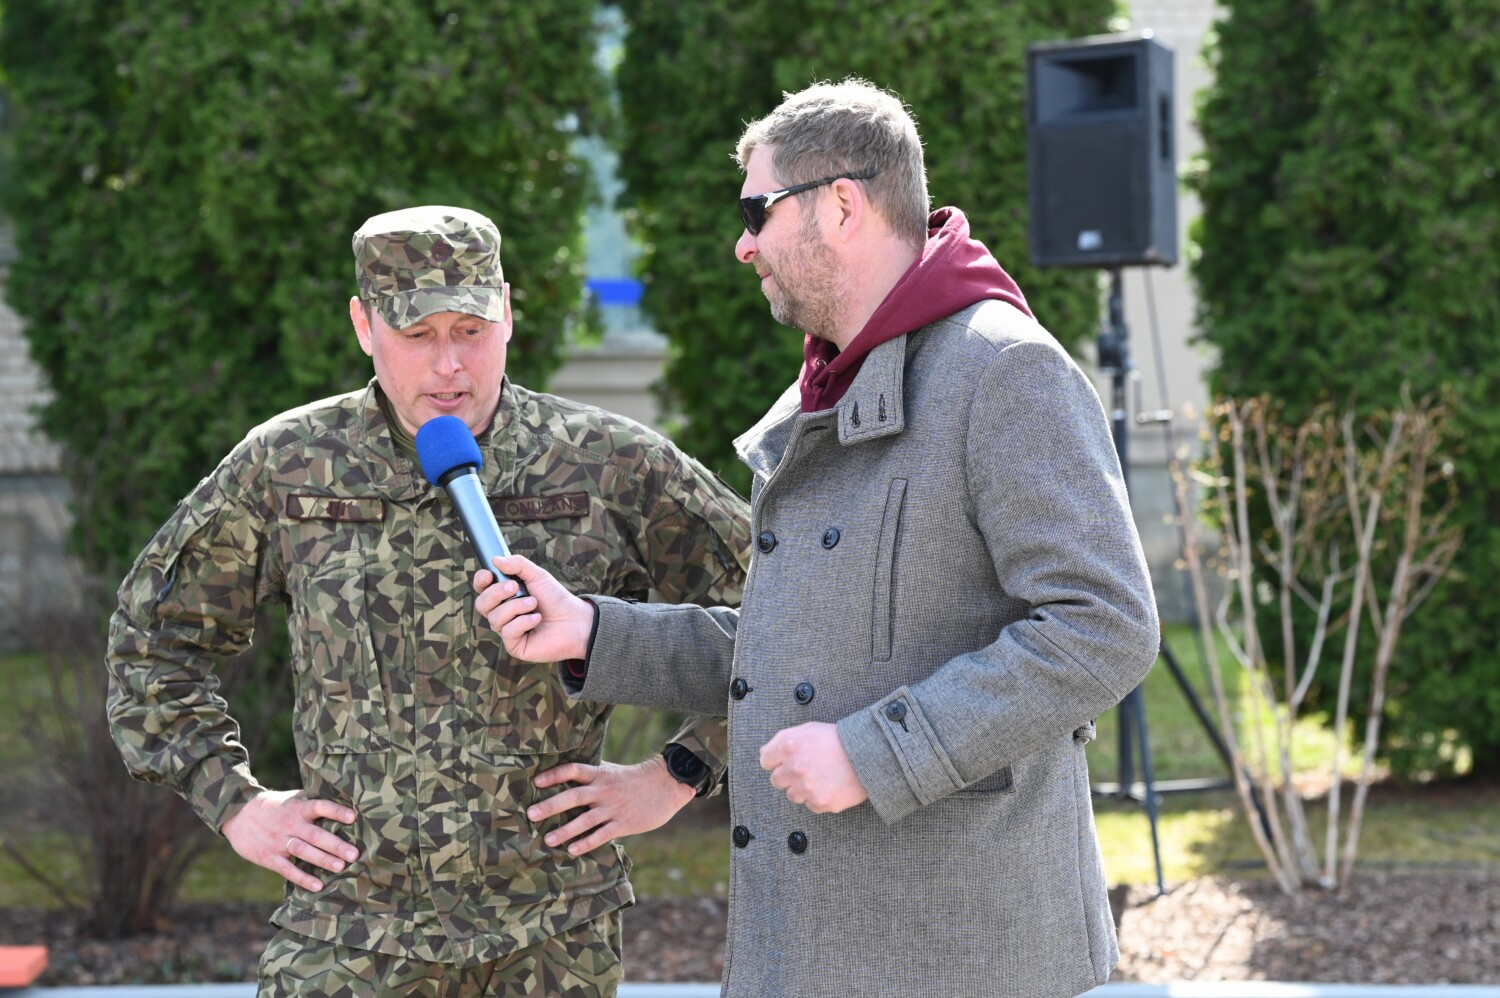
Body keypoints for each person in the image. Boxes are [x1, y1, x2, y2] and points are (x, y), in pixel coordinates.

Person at [477, 81, 1161, 997]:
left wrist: (873, 754)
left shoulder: (1004, 371)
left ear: (841, 203)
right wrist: (595, 635)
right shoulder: (832, 387)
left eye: (758, 211)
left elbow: (1103, 626)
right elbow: (791, 651)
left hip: (960, 955)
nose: (743, 242)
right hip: (812, 947)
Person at [106, 205, 750, 996]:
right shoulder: (291, 467)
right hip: (348, 932)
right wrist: (233, 801)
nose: (449, 366)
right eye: (416, 336)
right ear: (363, 325)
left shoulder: (606, 465)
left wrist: (680, 771)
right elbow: (150, 643)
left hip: (550, 932)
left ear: (508, 313)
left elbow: (789, 621)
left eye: (470, 330)